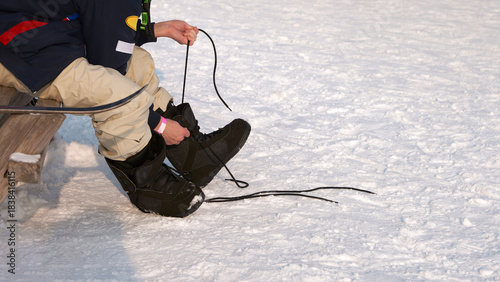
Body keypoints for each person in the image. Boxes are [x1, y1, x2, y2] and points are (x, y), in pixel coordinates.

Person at [0, 0, 250, 217]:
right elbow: (112, 73)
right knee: (117, 93)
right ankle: (147, 184)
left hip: (47, 35)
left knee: (138, 62)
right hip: (19, 49)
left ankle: (191, 154)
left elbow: (105, 25)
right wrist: (159, 125)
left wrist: (154, 29)